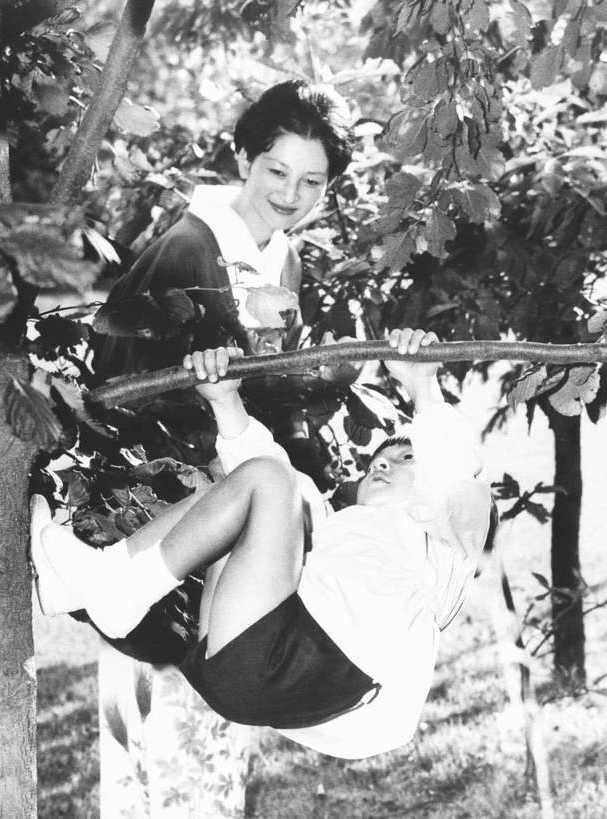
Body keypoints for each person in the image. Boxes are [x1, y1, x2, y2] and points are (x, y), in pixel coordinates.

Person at [30, 328, 492, 759]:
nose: (383, 465)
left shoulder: (444, 549)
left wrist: (422, 386)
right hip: (242, 668)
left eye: (406, 457)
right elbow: (257, 471)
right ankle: (88, 585)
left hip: (317, 671)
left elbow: (454, 475)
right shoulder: (332, 537)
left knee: (272, 480)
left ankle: (117, 591)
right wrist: (225, 399)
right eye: (379, 461)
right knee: (233, 490)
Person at [94, 79, 354, 378]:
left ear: (329, 184)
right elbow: (127, 382)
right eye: (277, 172)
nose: (290, 194)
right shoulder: (184, 251)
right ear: (245, 161)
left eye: (310, 181)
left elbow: (277, 383)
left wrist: (329, 374)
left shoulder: (286, 260)